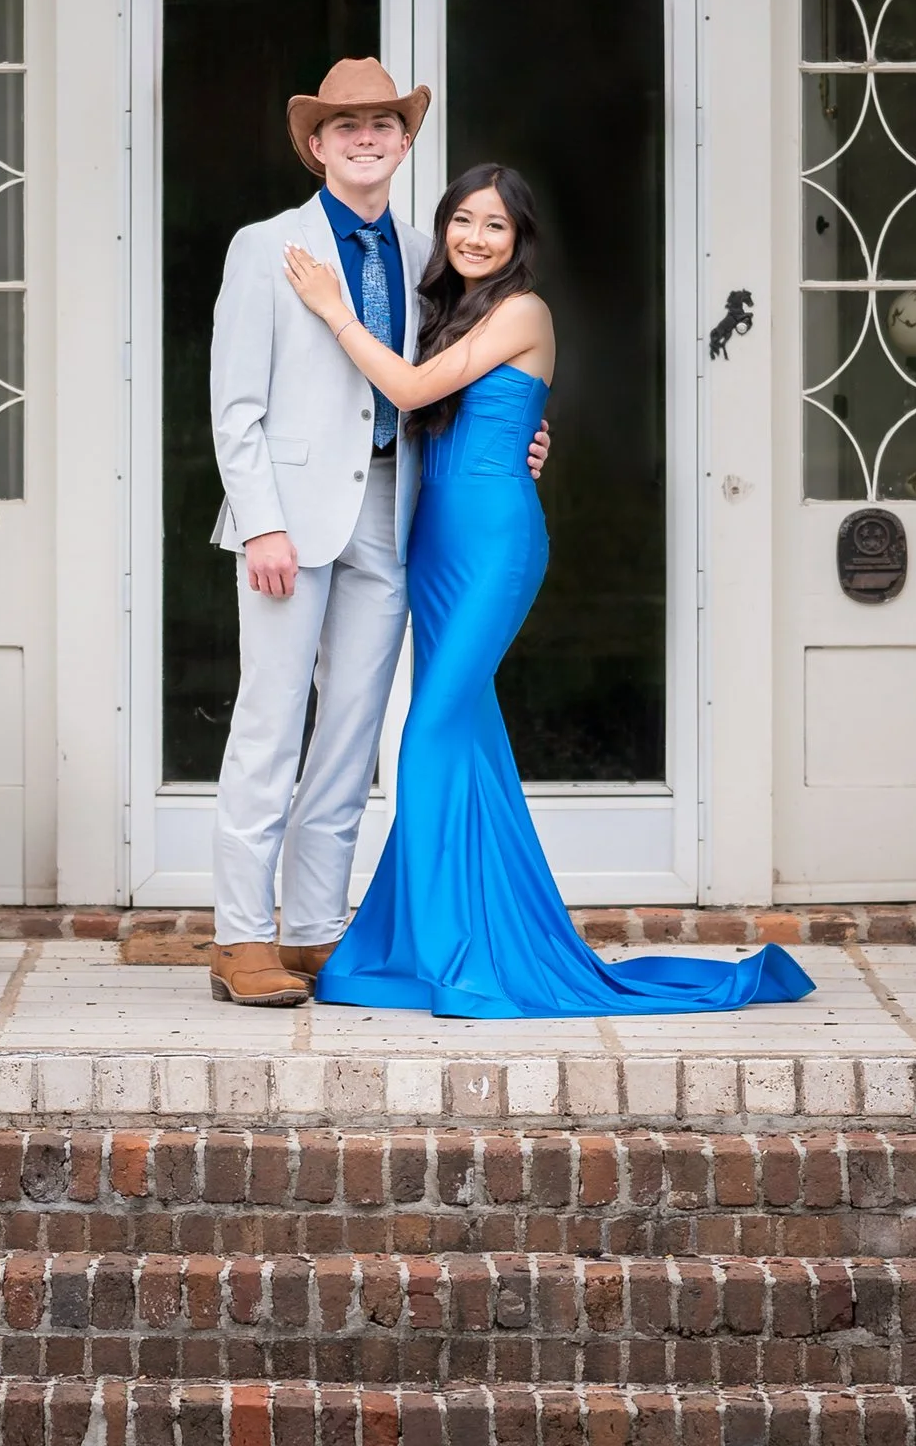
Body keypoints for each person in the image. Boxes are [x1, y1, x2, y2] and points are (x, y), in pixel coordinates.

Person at [284, 162, 814, 1019]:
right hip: (433, 540)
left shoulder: (525, 309)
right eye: (462, 220)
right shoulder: (444, 312)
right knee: (470, 742)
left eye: (494, 225)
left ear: (520, 238)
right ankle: (450, 942)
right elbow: (435, 409)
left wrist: (336, 312)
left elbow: (412, 388)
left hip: (494, 542)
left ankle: (458, 949)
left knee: (425, 736)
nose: (475, 238)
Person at [204, 55, 548, 1009]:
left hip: (396, 517)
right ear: (316, 144)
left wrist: (525, 431)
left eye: (384, 124)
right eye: (346, 124)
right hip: (291, 524)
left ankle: (314, 930)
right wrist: (261, 523)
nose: (367, 137)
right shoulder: (264, 247)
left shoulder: (423, 256)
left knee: (354, 731)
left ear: (405, 143)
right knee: (270, 724)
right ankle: (240, 937)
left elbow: (459, 377)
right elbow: (234, 406)